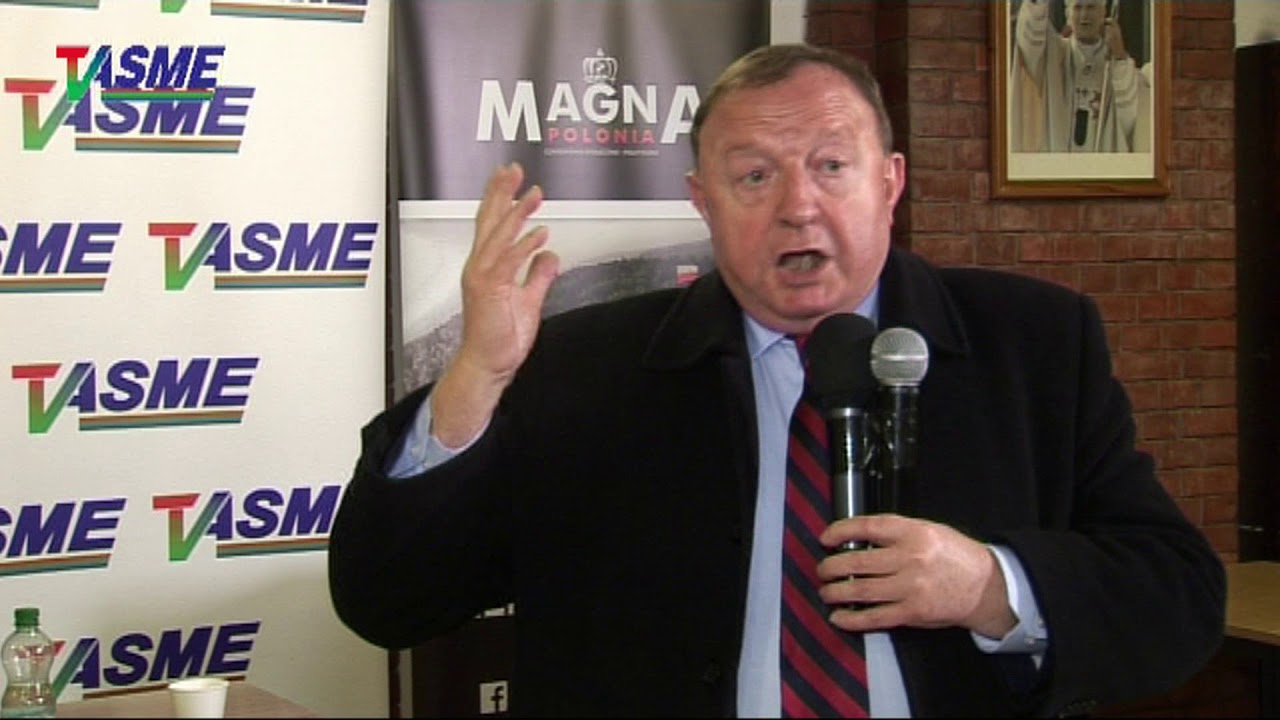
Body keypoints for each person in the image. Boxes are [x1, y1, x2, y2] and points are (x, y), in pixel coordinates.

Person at [328, 43, 1225, 717]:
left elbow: (1179, 599)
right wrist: (476, 378)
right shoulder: (580, 367)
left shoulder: (1035, 344)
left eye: (832, 166)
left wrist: (991, 586)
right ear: (702, 202)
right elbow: (387, 601)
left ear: (890, 183)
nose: (799, 205)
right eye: (754, 175)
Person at [1010, 0, 1152, 153]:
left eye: (1091, 7)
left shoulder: (1118, 65)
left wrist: (1119, 55)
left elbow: (1130, 117)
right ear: (1068, 15)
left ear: (1103, 14)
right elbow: (1031, 33)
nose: (1084, 15)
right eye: (1078, 7)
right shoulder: (1054, 55)